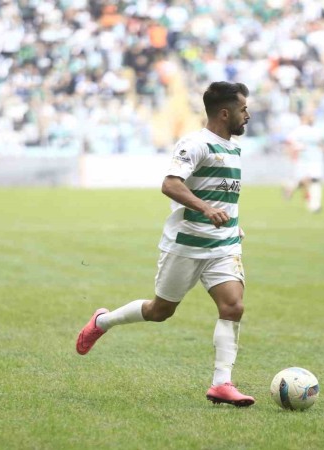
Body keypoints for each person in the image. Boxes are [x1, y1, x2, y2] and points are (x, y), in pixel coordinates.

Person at [76, 81, 255, 407]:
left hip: (223, 246)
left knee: (233, 306)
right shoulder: (195, 144)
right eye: (243, 109)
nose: (248, 115)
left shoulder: (234, 148)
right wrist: (206, 209)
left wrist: (232, 224)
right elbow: (170, 184)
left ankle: (222, 384)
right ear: (224, 113)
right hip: (185, 245)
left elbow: (223, 194)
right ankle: (102, 321)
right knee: (160, 311)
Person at [282, 111, 324, 213]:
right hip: (303, 160)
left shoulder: (316, 130)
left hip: (316, 160)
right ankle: (291, 187)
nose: (313, 119)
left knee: (315, 180)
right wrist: (292, 152)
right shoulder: (299, 130)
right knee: (304, 180)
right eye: (311, 117)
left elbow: (320, 143)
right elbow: (289, 141)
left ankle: (314, 205)